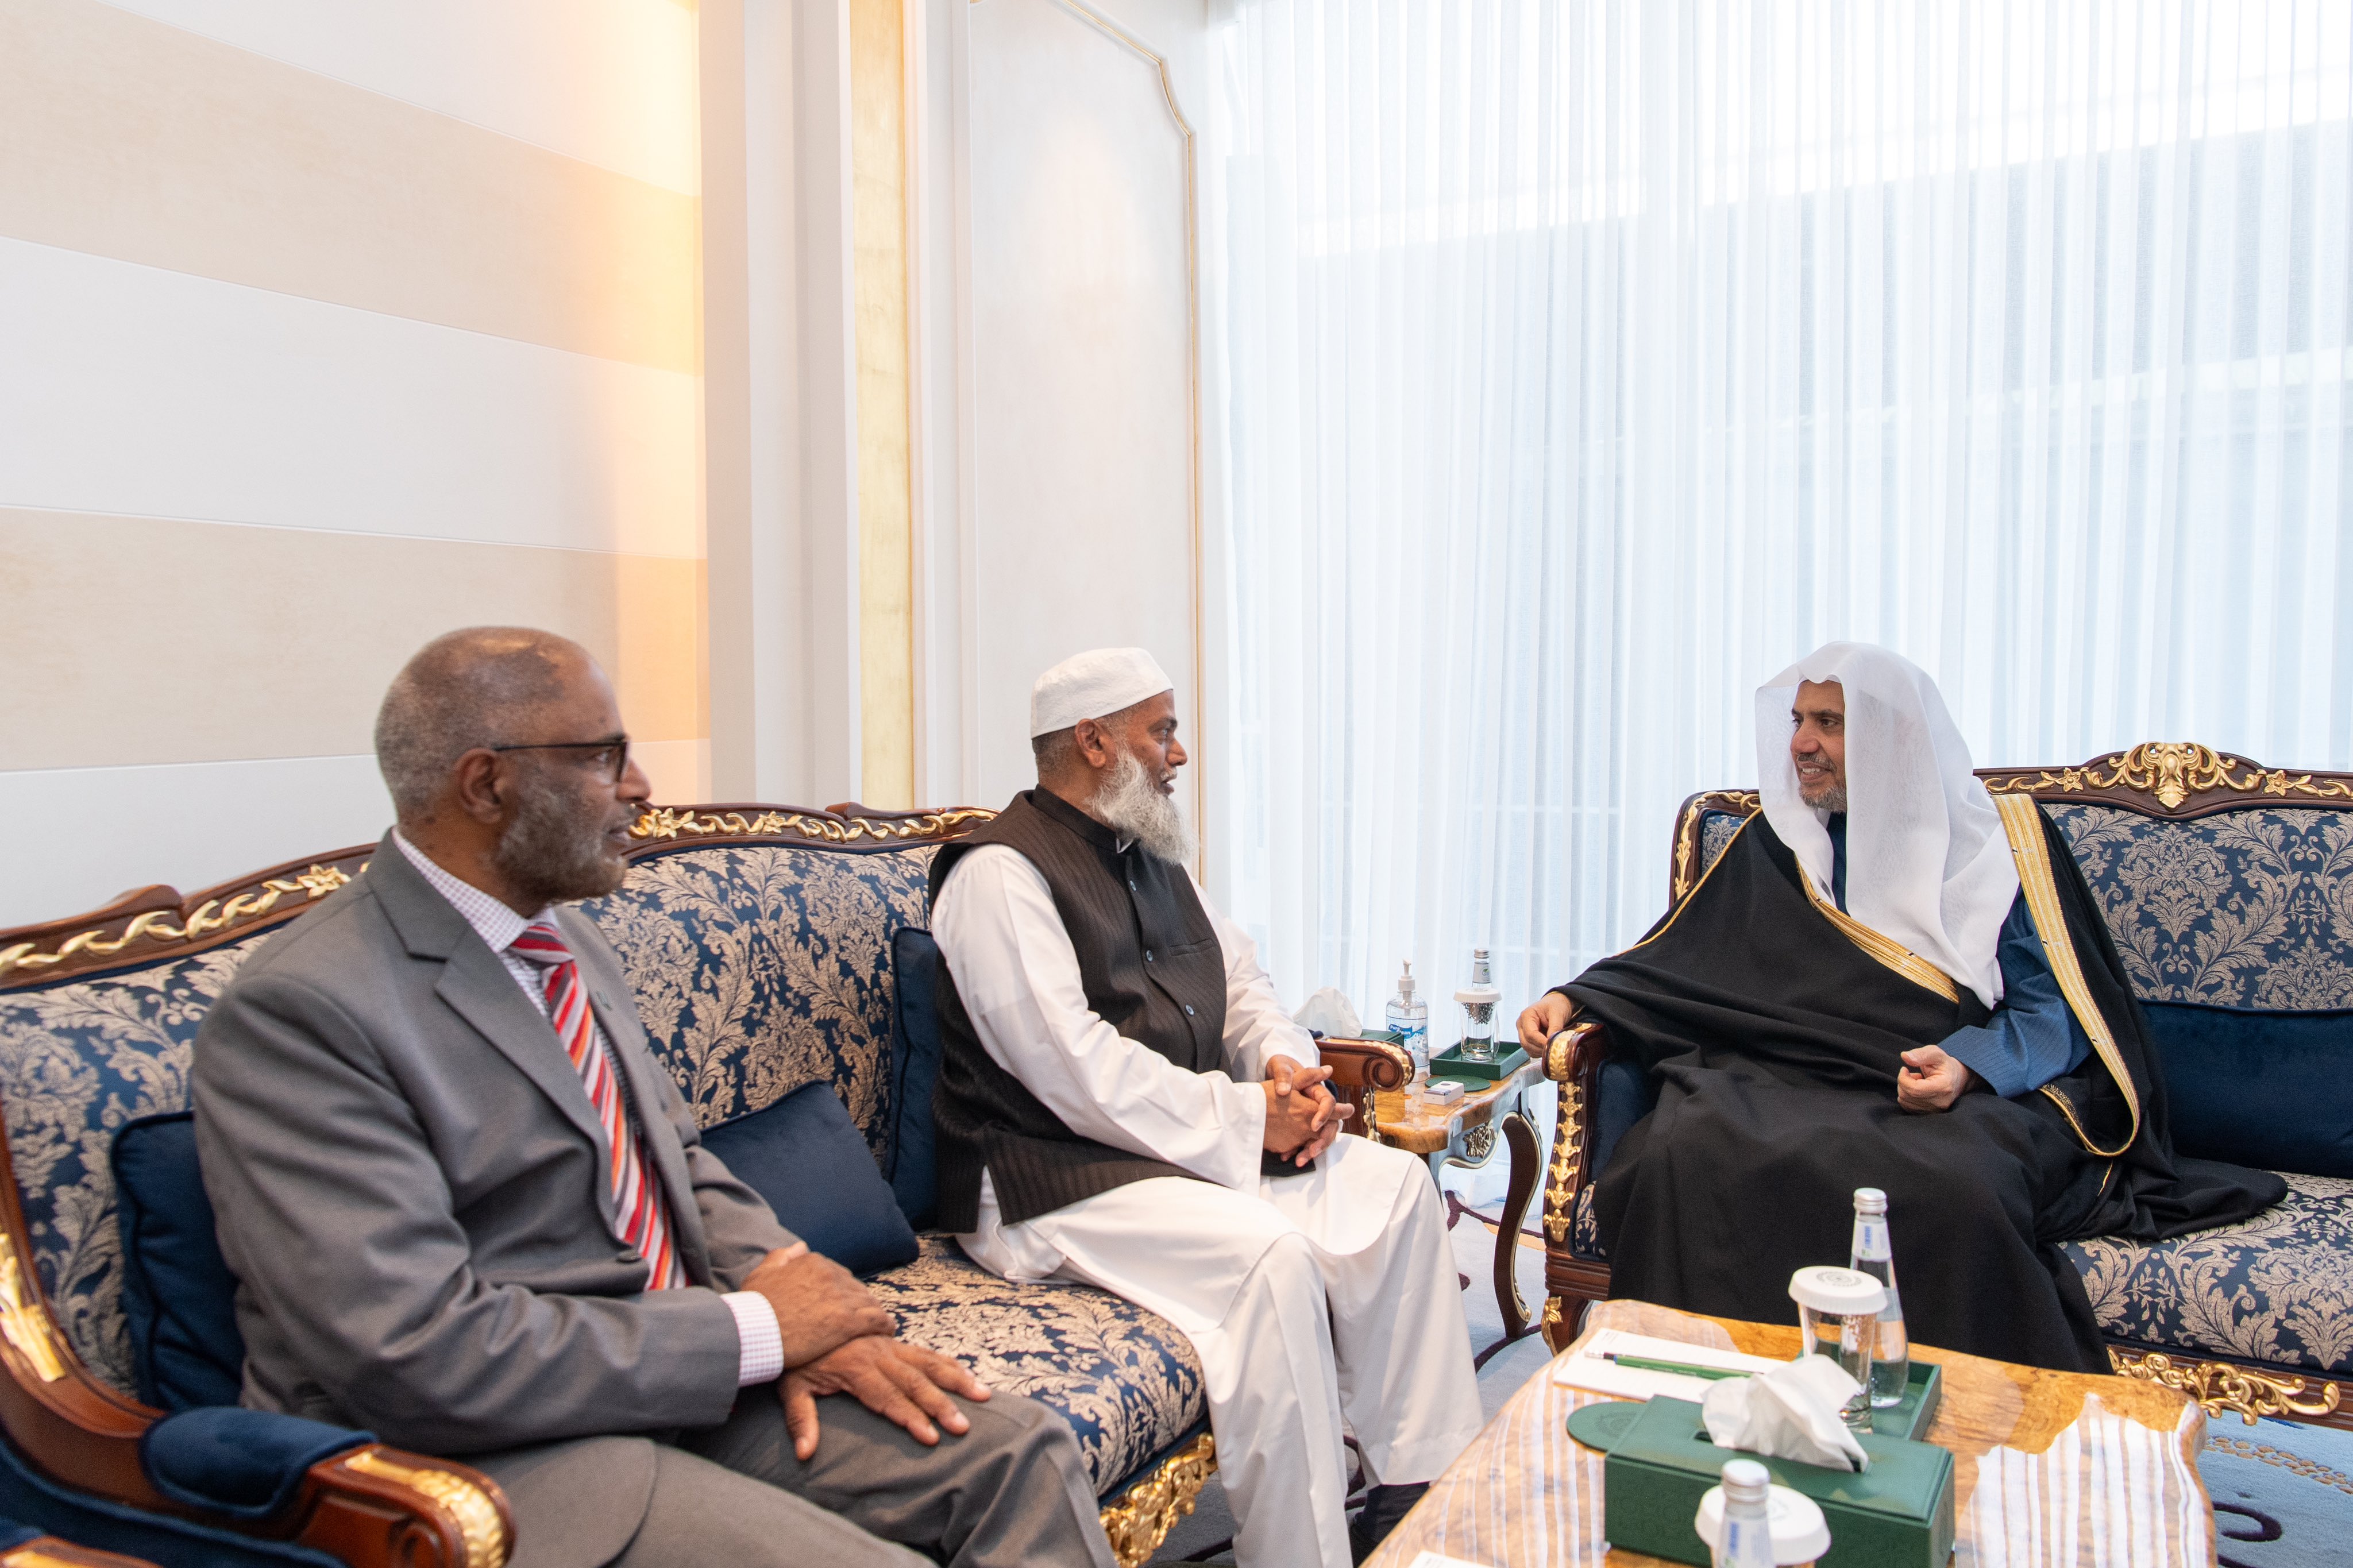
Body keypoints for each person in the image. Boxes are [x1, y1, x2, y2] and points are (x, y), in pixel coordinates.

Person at [193, 628, 1112, 1568]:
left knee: (1020, 1452)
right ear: (485, 783)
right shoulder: (304, 1011)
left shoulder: (564, 944)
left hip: (683, 1381)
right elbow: (415, 1352)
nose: (640, 787)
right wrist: (755, 1331)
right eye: (604, 757)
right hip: (491, 1462)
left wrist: (789, 1287)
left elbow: (676, 1159)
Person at [1517, 642, 2283, 1372]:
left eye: (1831, 723)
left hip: (1938, 1097)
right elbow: (1674, 967)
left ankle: (1947, 1422)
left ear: (1893, 737)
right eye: (1798, 721)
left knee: (1958, 1191)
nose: (1803, 745)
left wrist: (1969, 1065)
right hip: (1784, 1078)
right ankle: (1717, 1396)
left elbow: (2057, 1012)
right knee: (1681, 1149)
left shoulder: (1999, 844)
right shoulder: (1775, 844)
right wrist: (1571, 998)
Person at [928, 648, 1483, 1568]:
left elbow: (1240, 978)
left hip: (1163, 1150)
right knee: (1271, 1264)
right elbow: (1073, 1069)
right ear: (1095, 741)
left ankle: (1413, 1504)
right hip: (1041, 1180)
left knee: (1391, 1191)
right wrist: (1242, 1119)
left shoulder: (1148, 849)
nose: (1180, 753)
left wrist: (1287, 1067)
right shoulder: (998, 875)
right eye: (1163, 730)